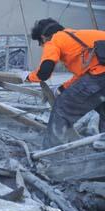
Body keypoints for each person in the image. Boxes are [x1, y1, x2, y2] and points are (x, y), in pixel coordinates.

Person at [25, 18, 105, 148]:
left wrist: (28, 77)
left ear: (43, 37)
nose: (42, 46)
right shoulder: (80, 36)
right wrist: (63, 88)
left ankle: (52, 156)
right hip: (99, 74)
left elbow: (44, 72)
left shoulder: (54, 40)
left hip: (100, 76)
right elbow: (86, 73)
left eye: (41, 43)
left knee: (62, 107)